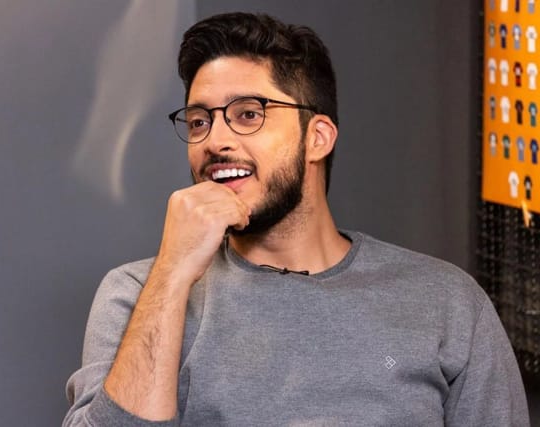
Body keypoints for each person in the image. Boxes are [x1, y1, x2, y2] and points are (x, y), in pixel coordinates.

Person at [63, 12, 529, 426]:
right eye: (200, 121)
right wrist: (172, 272)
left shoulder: (446, 303)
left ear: (317, 138)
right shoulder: (137, 294)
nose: (214, 140)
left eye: (248, 114)